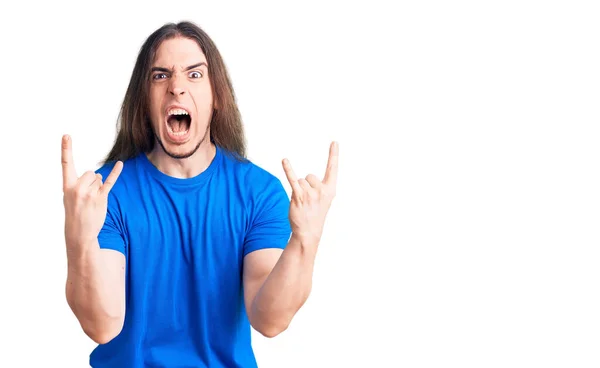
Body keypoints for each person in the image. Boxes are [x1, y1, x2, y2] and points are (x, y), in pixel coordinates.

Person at [61, 21, 338, 367]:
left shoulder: (258, 192)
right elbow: (102, 325)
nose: (177, 87)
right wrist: (79, 242)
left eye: (194, 75)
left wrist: (305, 241)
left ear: (216, 96)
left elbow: (270, 320)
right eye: (160, 76)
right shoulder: (105, 194)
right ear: (143, 100)